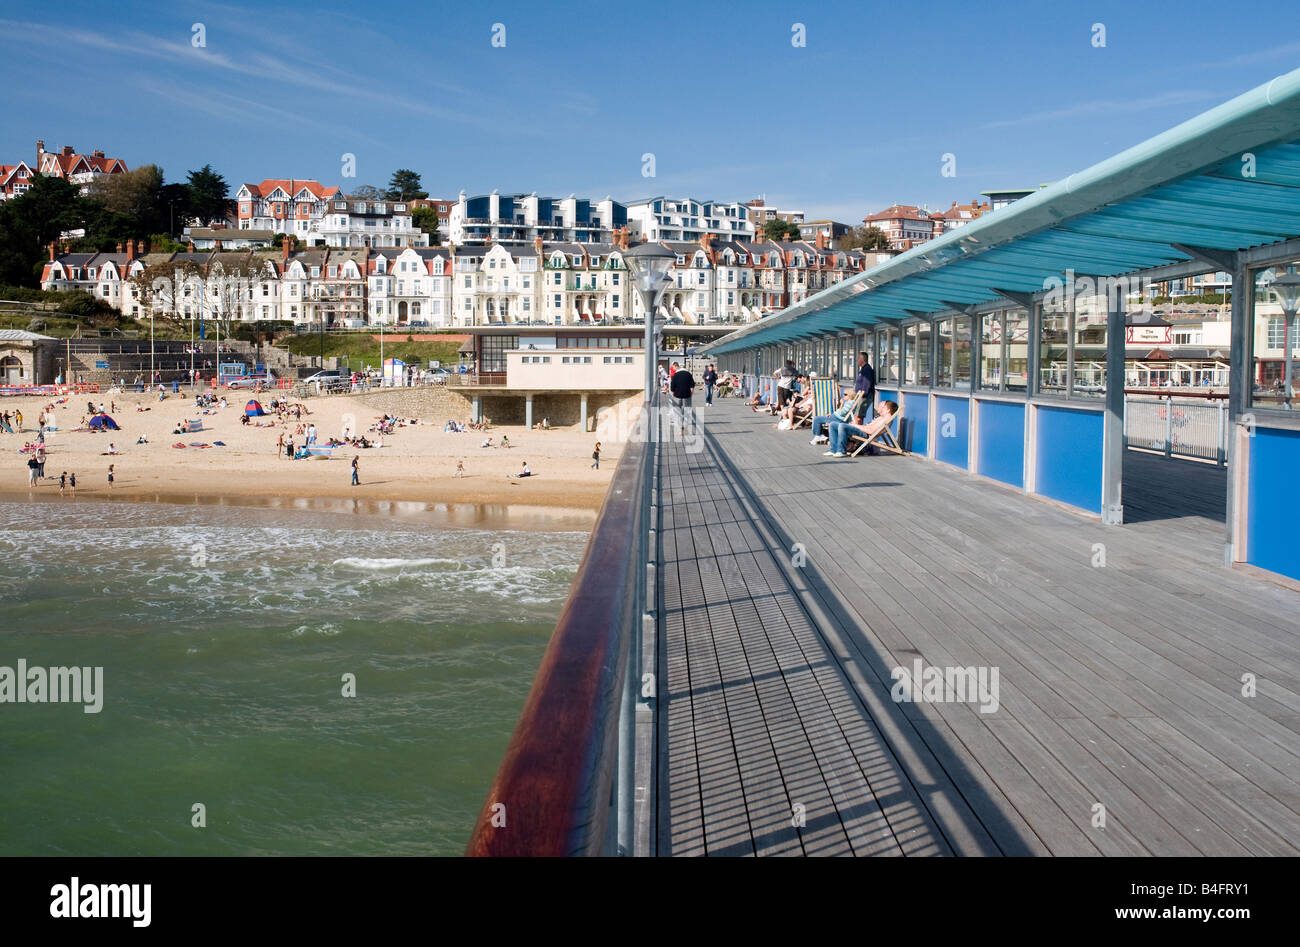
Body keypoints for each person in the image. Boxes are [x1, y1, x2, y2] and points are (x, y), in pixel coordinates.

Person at [825, 400, 898, 458]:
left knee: (842, 426)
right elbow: (868, 427)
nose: (880, 408)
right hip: (863, 430)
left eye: (883, 407)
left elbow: (871, 431)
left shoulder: (885, 419)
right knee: (833, 425)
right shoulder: (881, 417)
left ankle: (841, 451)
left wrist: (856, 426)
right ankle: (833, 450)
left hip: (865, 434)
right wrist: (857, 425)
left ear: (888, 410)